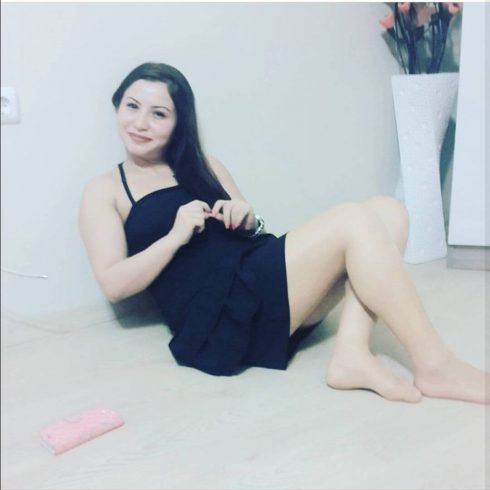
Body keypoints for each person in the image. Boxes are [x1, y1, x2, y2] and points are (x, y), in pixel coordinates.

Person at [79, 62, 489, 405]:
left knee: (389, 211)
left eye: (159, 114)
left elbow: (253, 229)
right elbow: (113, 284)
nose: (141, 123)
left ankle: (351, 354)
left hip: (255, 273)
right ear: (117, 106)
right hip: (219, 318)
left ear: (177, 123)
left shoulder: (206, 164)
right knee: (354, 218)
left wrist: (246, 217)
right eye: (132, 106)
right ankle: (435, 365)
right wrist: (174, 236)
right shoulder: (105, 190)